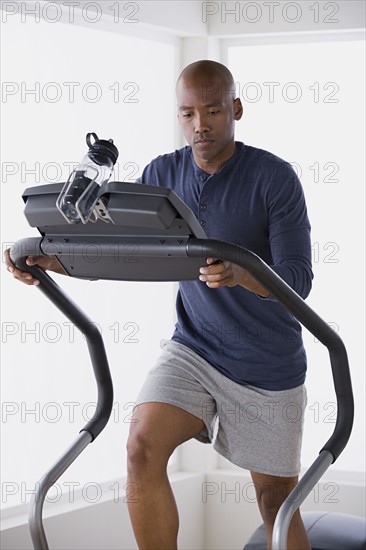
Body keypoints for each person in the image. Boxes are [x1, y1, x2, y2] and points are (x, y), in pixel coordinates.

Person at [5, 60, 313, 550]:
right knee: (141, 450)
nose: (200, 125)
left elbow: (298, 280)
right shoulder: (160, 177)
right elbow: (124, 257)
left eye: (212, 111)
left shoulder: (274, 178)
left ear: (235, 108)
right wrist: (45, 262)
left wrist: (241, 272)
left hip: (266, 361)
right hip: (193, 349)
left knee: (275, 499)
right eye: (188, 113)